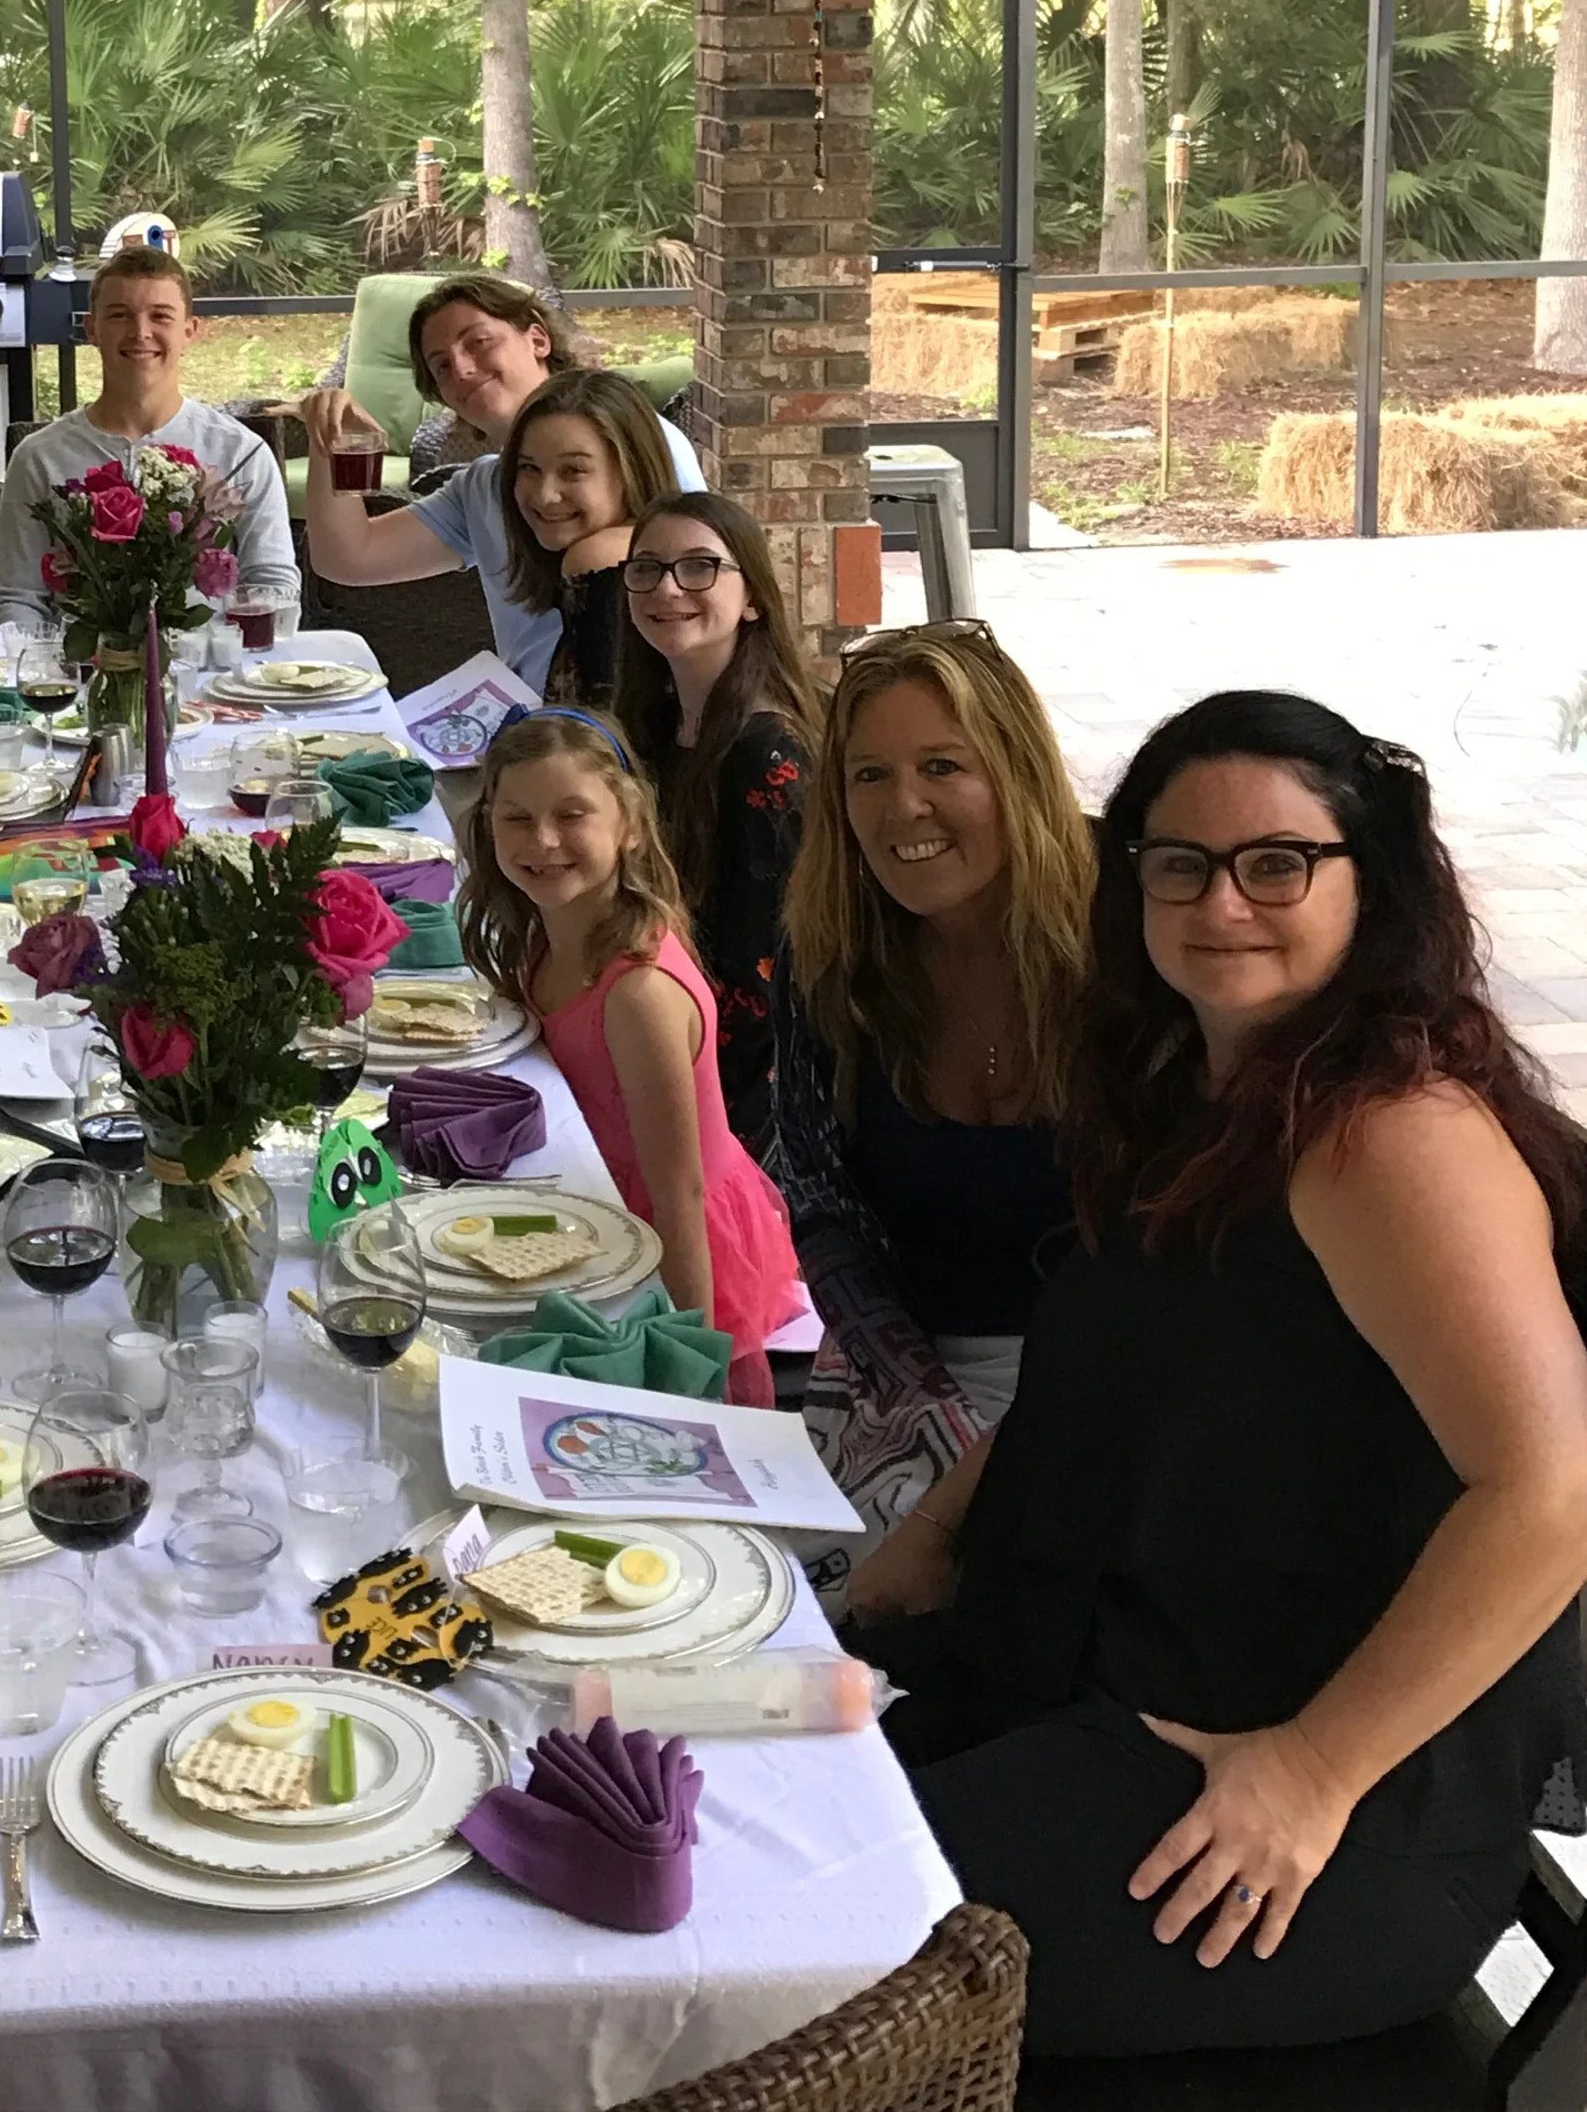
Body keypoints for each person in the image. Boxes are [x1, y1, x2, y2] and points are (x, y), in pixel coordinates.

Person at [848, 693, 1587, 2058]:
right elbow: (1120, 1373)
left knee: (775, 1947)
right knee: (712, 1811)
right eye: (1178, 861)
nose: (1222, 901)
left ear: (1375, 882)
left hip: (1298, 1813)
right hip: (1121, 1684)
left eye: (1278, 862)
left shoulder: (1391, 1134)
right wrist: (931, 1536)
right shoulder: (1201, 1088)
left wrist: (1314, 1772)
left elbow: (1549, 1491)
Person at [770, 622, 1093, 1606]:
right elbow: (819, 1206)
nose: (902, 806)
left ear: (1015, 772)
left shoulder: (1122, 949)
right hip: (901, 1367)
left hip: (1099, 1385)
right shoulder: (829, 951)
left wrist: (981, 1467)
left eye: (941, 765)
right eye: (867, 775)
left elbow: (1173, 1272)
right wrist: (922, 1401)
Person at [461, 709, 803, 1403]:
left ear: (632, 824)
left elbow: (679, 1192)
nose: (544, 840)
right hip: (604, 1216)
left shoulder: (638, 993)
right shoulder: (547, 935)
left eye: (572, 814)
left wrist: (689, 1356)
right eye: (517, 818)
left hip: (674, 1253)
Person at [300, 272, 704, 688]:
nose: (461, 367)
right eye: (441, 365)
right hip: (529, 724)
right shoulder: (483, 486)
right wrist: (327, 439)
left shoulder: (632, 437)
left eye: (478, 342)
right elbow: (346, 559)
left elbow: (698, 563)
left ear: (538, 340)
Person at [612, 489, 824, 1155]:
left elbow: (759, 981)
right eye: (646, 567)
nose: (669, 586)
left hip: (731, 1100)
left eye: (700, 567)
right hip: (658, 1032)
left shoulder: (766, 752)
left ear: (753, 596)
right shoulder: (655, 721)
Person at [0, 243, 298, 630]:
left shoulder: (242, 454)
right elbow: (16, 597)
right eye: (119, 315)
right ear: (91, 329)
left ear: (189, 332)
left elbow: (274, 587)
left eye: (160, 316)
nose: (140, 332)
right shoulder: (39, 458)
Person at [497, 370, 693, 705]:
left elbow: (598, 735)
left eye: (573, 471)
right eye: (529, 468)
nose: (545, 495)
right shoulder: (664, 544)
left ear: (631, 470)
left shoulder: (599, 558)